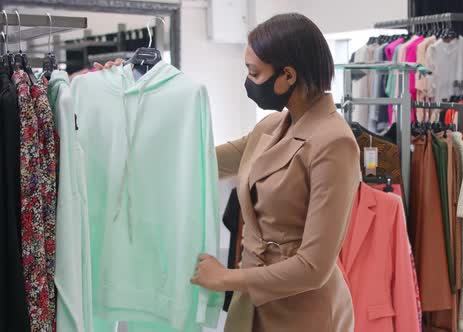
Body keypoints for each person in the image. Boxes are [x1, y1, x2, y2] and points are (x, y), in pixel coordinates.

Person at [96, 13, 360, 332]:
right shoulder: (271, 126)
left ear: (288, 75)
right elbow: (196, 160)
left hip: (305, 314)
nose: (248, 81)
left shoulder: (335, 143)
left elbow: (314, 267)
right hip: (250, 307)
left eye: (253, 72)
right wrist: (128, 97)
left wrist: (225, 278)